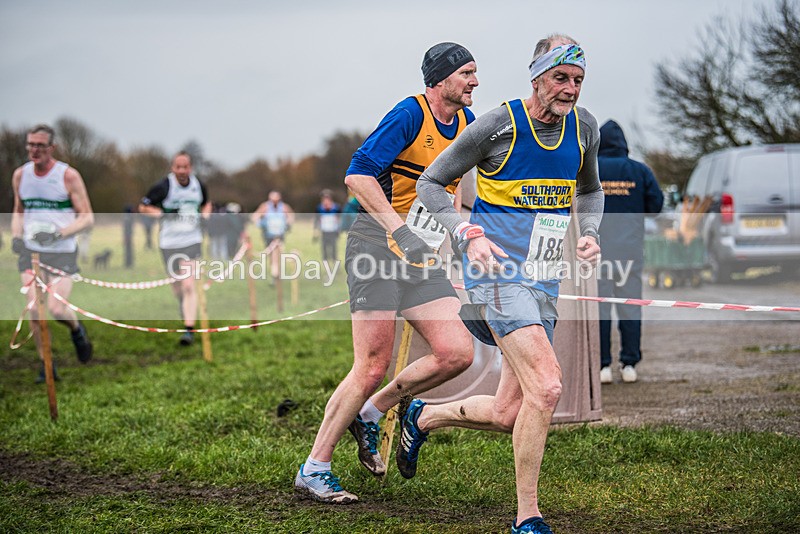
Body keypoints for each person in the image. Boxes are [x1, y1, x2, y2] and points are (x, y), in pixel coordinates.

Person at [411, 35, 603, 534]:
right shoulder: (498, 125)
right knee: (548, 384)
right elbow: (430, 184)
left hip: (543, 273)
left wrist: (589, 232)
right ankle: (527, 517)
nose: (570, 89)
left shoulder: (584, 127)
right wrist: (465, 234)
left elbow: (590, 189)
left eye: (578, 80)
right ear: (537, 77)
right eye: (561, 78)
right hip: (494, 272)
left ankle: (423, 417)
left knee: (508, 411)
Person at [294, 42, 479, 504]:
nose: (475, 82)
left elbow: (452, 189)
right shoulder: (409, 114)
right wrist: (400, 230)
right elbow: (356, 177)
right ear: (440, 79)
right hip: (376, 246)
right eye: (467, 73)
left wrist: (451, 236)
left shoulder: (468, 124)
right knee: (372, 365)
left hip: (421, 256)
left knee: (457, 352)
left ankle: (372, 413)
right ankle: (314, 468)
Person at [11, 124, 95, 382]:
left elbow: (87, 218)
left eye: (40, 145)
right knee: (35, 310)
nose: (34, 150)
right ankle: (46, 364)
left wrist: (58, 235)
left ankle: (77, 330)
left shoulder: (68, 176)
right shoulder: (20, 175)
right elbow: (18, 210)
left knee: (57, 309)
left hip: (62, 253)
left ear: (52, 147)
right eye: (31, 144)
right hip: (32, 253)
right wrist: (16, 237)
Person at [597, 120, 663, 384]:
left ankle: (602, 366)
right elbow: (656, 206)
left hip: (596, 253)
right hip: (630, 252)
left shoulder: (589, 169)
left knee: (599, 308)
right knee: (630, 307)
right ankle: (629, 364)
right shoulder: (640, 171)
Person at [139, 151, 211, 346]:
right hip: (169, 243)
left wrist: (205, 216)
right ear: (173, 168)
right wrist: (162, 214)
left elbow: (206, 204)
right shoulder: (164, 186)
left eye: (185, 167)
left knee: (189, 285)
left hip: (192, 240)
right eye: (178, 167)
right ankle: (184, 305)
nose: (182, 170)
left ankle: (189, 330)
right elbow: (143, 207)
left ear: (190, 168)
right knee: (178, 288)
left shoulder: (198, 185)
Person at [251, 190, 294, 281]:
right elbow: (255, 216)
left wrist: (287, 224)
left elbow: (291, 216)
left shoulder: (284, 207)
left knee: (278, 253)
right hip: (268, 235)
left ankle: (276, 273)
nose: (274, 202)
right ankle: (274, 273)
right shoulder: (265, 206)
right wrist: (261, 224)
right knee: (271, 254)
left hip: (280, 234)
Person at [313, 189, 341, 264]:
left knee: (334, 249)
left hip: (333, 231)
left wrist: (338, 229)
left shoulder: (336, 207)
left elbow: (339, 219)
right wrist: (316, 231)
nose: (326, 201)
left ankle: (335, 264)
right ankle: (326, 266)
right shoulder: (319, 208)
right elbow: (317, 220)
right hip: (324, 231)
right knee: (324, 250)